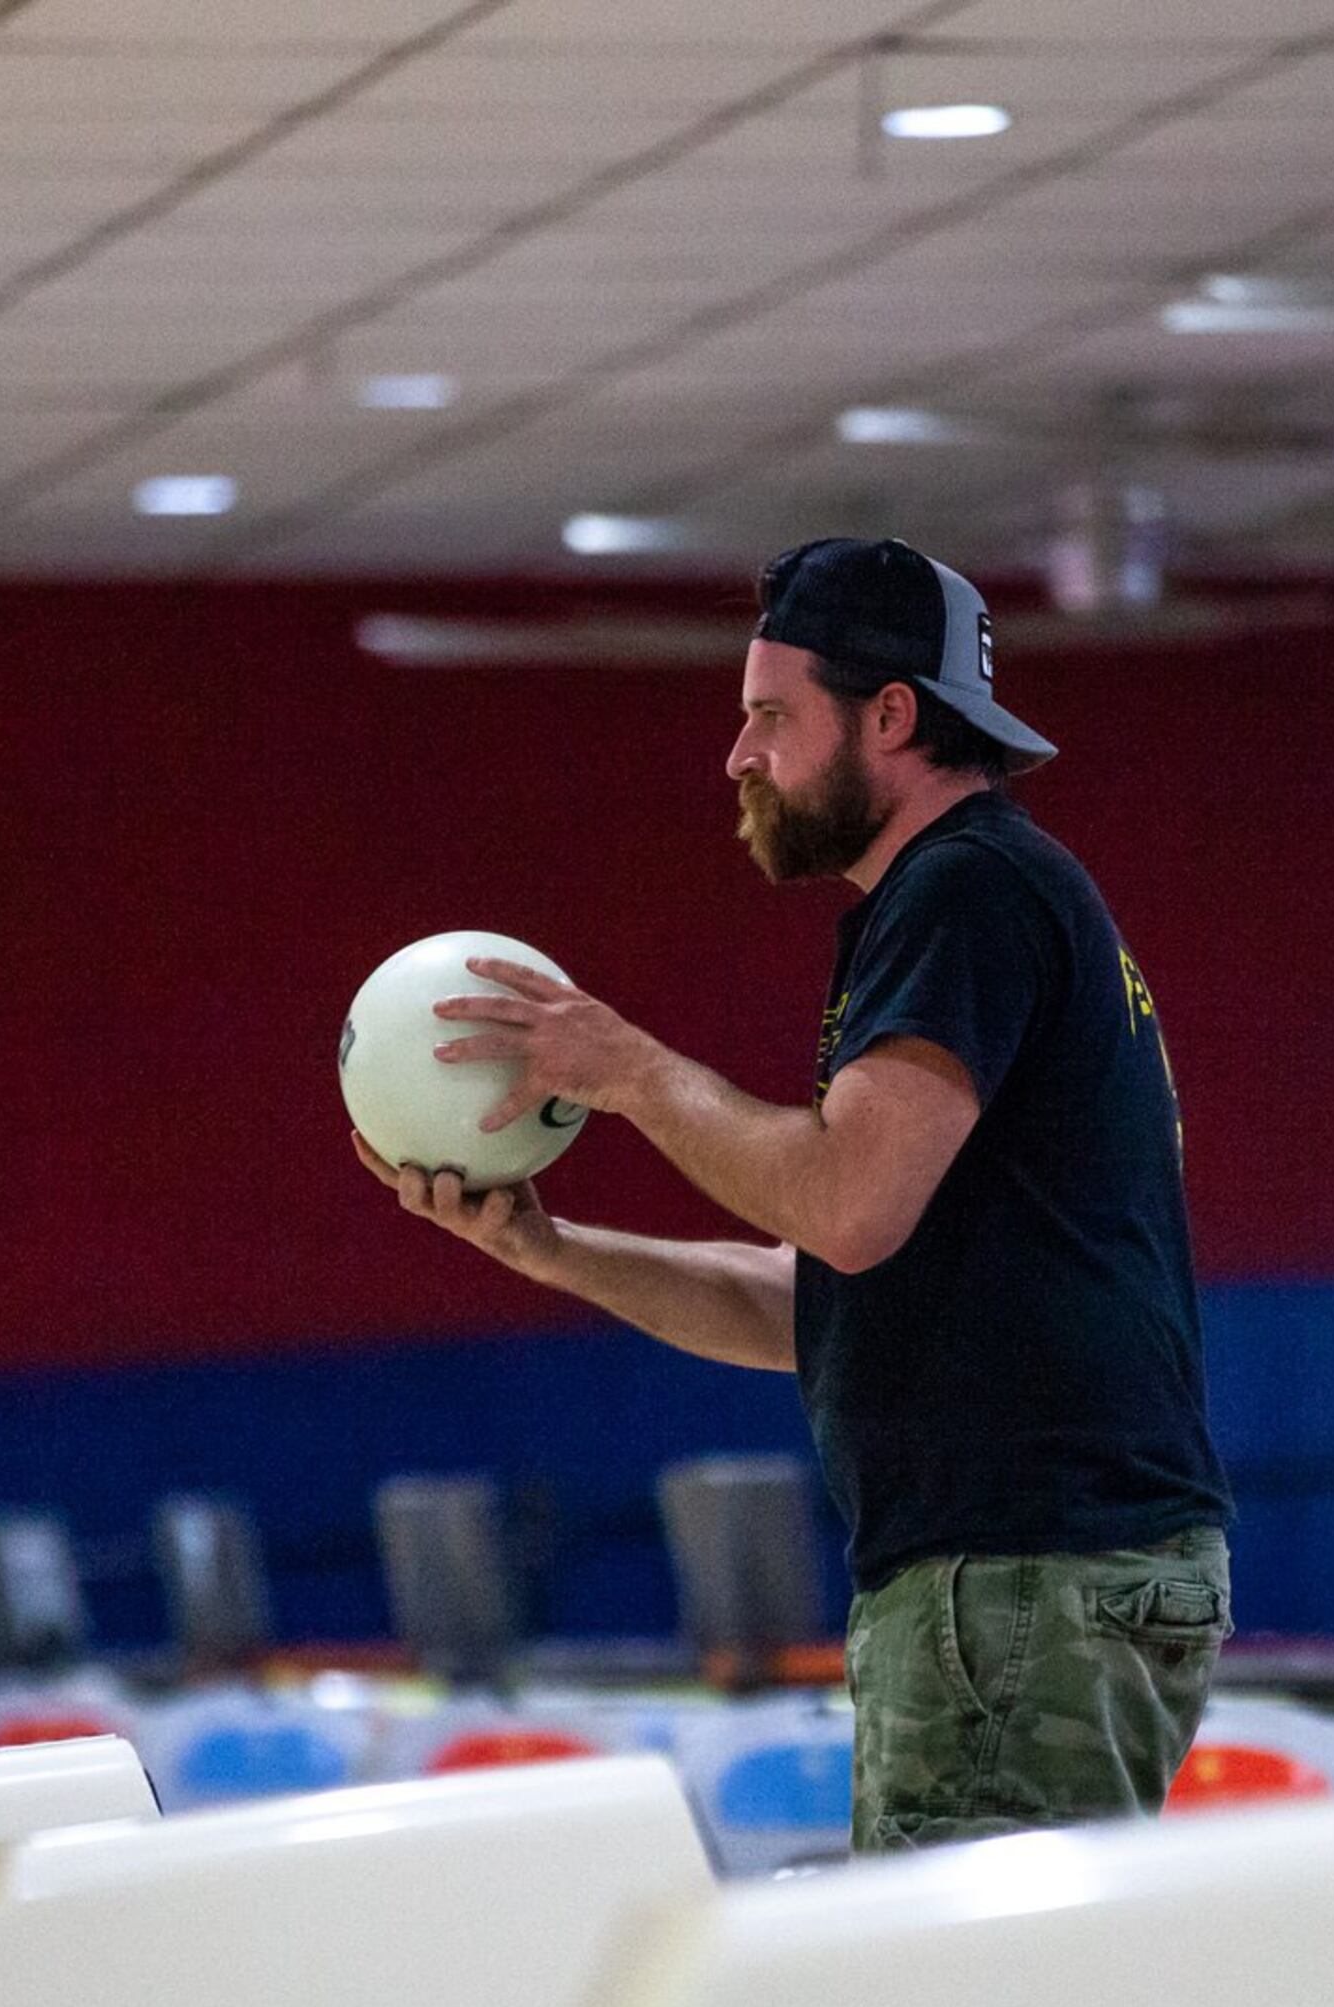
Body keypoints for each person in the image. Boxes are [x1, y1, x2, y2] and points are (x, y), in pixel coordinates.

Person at [358, 536, 1232, 1849]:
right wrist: (555, 1251)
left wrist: (631, 1071)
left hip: (1021, 1576)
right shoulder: (976, 900)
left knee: (962, 1985)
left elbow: (843, 1209)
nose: (738, 756)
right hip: (1044, 1573)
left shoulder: (967, 889)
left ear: (891, 716)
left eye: (772, 715)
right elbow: (818, 1300)